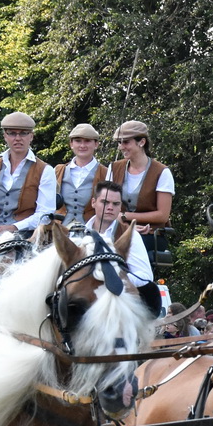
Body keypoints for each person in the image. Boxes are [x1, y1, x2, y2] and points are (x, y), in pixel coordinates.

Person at [81, 179, 164, 314]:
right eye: (105, 202)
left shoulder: (130, 235)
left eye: (115, 204)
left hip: (117, 304)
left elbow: (145, 276)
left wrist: (111, 280)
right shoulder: (77, 233)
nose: (110, 207)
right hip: (83, 302)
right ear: (93, 202)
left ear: (120, 208)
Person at [0, 112, 57, 238]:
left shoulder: (45, 170)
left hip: (27, 233)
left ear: (31, 136)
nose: (18, 138)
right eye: (12, 133)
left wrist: (14, 227)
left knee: (12, 250)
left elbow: (45, 214)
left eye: (23, 133)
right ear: (5, 136)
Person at [108, 120, 174, 268]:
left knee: (127, 247)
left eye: (125, 142)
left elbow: (162, 215)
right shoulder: (113, 168)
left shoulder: (162, 172)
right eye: (119, 142)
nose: (121, 147)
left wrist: (126, 217)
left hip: (150, 234)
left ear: (141, 142)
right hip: (117, 229)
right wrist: (123, 225)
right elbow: (105, 203)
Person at [55, 123, 106, 225]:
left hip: (91, 231)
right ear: (71, 144)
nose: (82, 145)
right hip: (60, 230)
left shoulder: (106, 173)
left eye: (87, 141)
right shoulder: (58, 170)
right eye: (78, 141)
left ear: (96, 144)